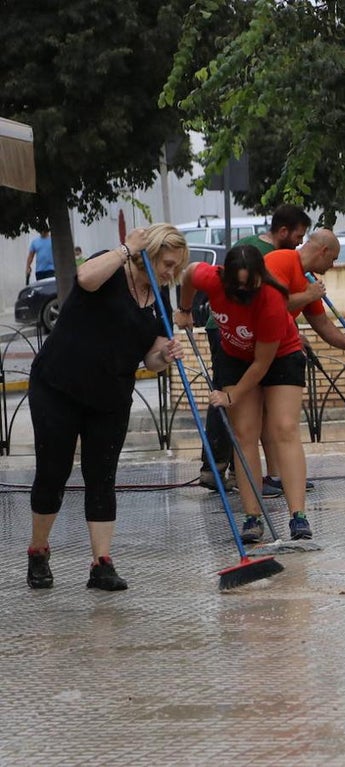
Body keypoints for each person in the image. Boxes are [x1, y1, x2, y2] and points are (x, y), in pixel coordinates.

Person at [25, 225, 188, 591]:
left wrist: (165, 354)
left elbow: (151, 358)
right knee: (54, 471)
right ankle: (38, 551)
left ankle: (101, 563)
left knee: (102, 476)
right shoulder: (111, 267)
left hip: (110, 396)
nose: (170, 273)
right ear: (150, 252)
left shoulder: (160, 297)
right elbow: (84, 278)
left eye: (176, 267)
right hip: (58, 385)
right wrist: (125, 250)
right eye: (166, 263)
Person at [176, 244, 312, 543]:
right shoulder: (210, 278)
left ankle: (298, 516)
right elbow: (187, 275)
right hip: (235, 357)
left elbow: (262, 364)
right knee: (244, 433)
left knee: (284, 428)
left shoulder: (272, 300)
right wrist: (185, 310)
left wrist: (231, 395)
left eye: (250, 288)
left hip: (279, 357)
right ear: (225, 278)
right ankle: (252, 517)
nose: (243, 295)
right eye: (237, 288)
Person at [197, 204, 312, 492]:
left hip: (251, 333)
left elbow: (272, 310)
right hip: (228, 330)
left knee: (237, 398)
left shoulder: (270, 253)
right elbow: (274, 304)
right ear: (283, 231)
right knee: (229, 395)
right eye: (298, 235)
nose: (300, 242)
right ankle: (219, 467)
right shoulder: (259, 255)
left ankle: (238, 470)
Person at [261, 229, 345, 487]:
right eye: (332, 259)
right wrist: (309, 296)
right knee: (262, 418)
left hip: (282, 350)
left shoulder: (306, 278)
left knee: (281, 419)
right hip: (257, 349)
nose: (332, 267)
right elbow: (270, 305)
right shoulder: (281, 261)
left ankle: (279, 476)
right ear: (323, 251)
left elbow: (323, 325)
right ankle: (266, 477)